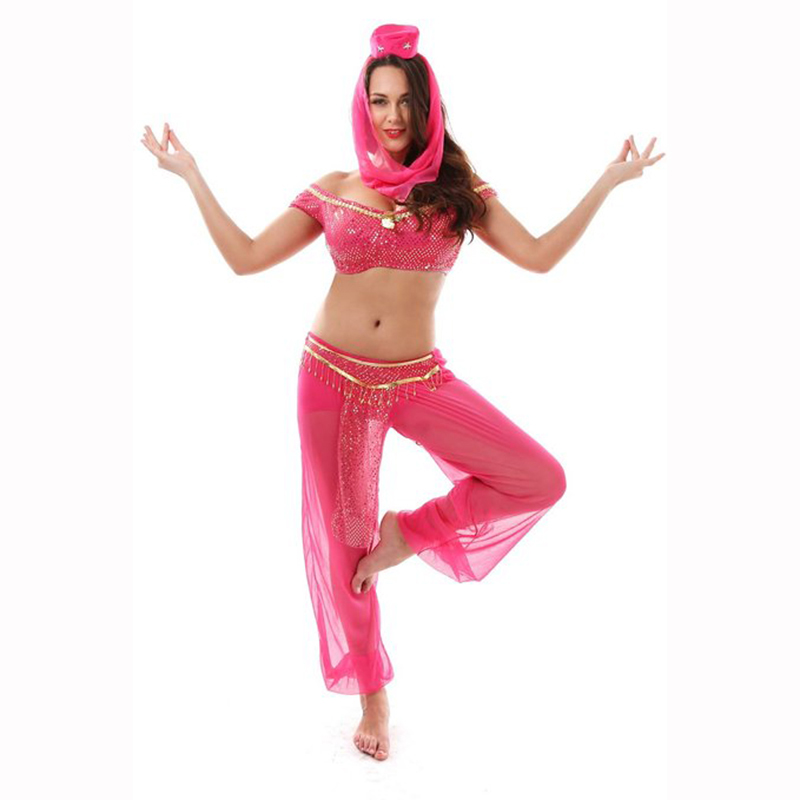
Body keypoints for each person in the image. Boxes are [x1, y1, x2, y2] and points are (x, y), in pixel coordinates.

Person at [141, 22, 664, 763]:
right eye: (378, 101)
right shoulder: (335, 189)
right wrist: (192, 175)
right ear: (363, 107)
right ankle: (373, 695)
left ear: (428, 106)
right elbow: (246, 257)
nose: (391, 116)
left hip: (417, 379)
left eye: (405, 102)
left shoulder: (460, 191)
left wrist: (607, 183)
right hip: (330, 378)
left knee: (539, 476)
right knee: (344, 544)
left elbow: (540, 255)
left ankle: (407, 535)